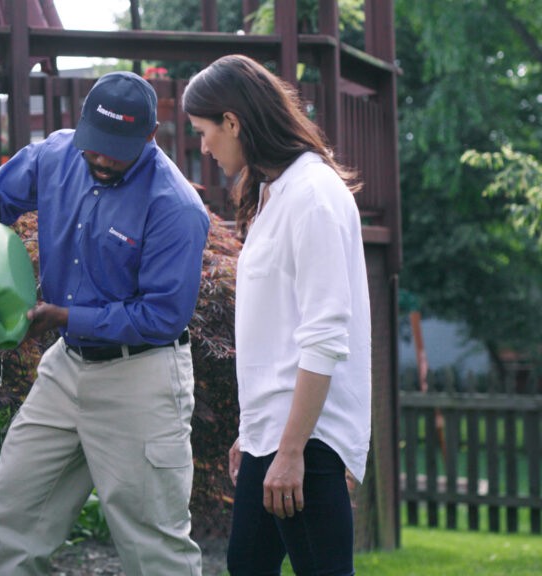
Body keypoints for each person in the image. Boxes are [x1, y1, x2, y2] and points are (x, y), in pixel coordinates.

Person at [0, 71, 210, 575]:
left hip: (142, 375)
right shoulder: (57, 155)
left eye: (115, 149)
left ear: (149, 138)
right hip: (65, 366)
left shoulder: (175, 207)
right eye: (94, 144)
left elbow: (160, 315)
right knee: (12, 516)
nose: (101, 158)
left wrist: (66, 316)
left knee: (154, 548)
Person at [183, 54, 372, 575]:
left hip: (307, 445)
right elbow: (277, 328)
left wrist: (290, 451)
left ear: (233, 122)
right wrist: (256, 430)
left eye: (204, 132)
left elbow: (325, 335)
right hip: (275, 435)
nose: (203, 146)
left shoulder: (313, 196)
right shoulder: (272, 193)